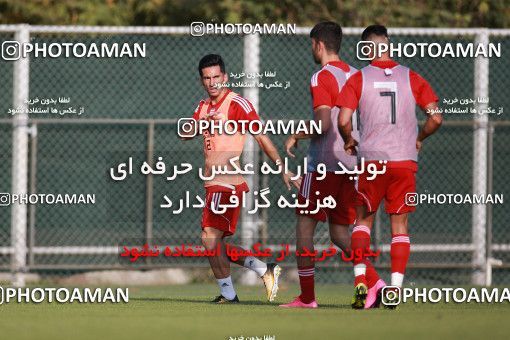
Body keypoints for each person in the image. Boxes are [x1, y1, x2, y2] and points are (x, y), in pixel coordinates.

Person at [337, 25, 442, 308]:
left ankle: (361, 283)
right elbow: (436, 118)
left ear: (366, 48)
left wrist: (349, 140)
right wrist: (419, 138)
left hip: (371, 160)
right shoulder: (412, 76)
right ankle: (395, 289)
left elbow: (344, 120)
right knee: (400, 226)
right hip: (403, 161)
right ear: (389, 45)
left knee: (363, 222)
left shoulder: (358, 78)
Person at [181, 54, 301, 303]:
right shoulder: (203, 107)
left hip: (228, 183)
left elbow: (262, 137)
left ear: (225, 77)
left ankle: (231, 291)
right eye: (207, 78)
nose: (212, 82)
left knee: (208, 238)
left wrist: (282, 168)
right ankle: (261, 270)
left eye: (216, 76)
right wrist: (201, 122)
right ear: (201, 80)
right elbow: (185, 133)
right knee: (215, 243)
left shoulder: (237, 104)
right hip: (213, 182)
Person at [279, 22, 381, 309]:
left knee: (304, 231)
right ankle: (377, 283)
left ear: (318, 44)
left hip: (324, 166)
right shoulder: (355, 74)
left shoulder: (321, 76)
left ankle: (307, 298)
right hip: (352, 166)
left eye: (311, 45)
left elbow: (323, 125)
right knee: (339, 234)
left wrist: (296, 134)